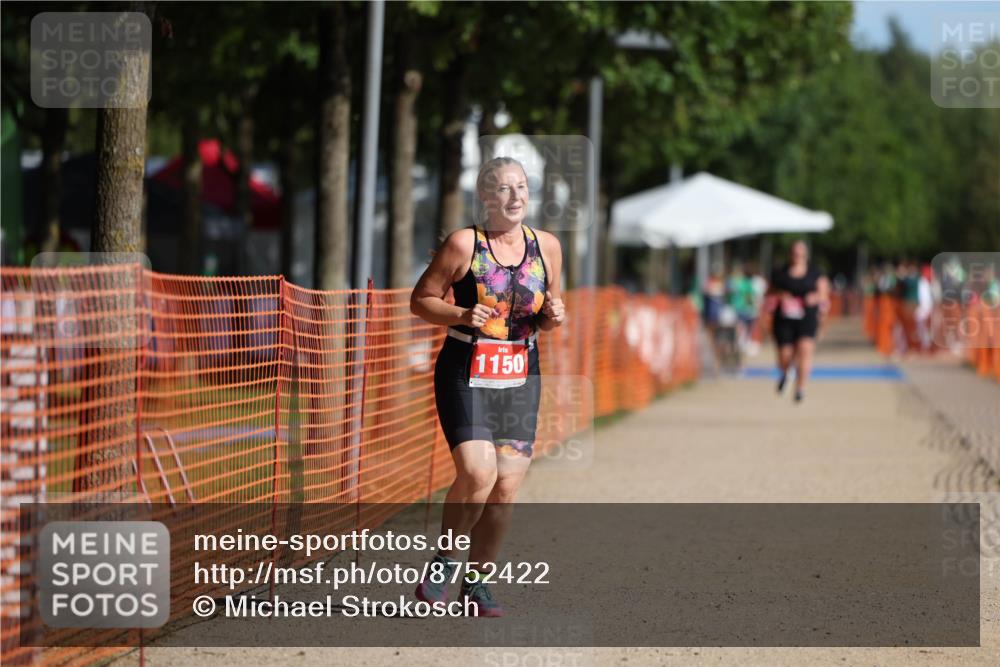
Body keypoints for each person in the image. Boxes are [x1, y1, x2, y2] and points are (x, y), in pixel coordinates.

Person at [409, 156, 565, 616]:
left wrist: (554, 318)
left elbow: (550, 311)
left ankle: (476, 585)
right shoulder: (464, 244)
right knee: (478, 473)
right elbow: (421, 300)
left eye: (521, 188)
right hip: (466, 368)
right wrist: (460, 314)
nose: (515, 197)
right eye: (503, 188)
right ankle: (445, 561)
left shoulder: (547, 246)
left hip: (520, 371)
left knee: (507, 484)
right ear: (484, 195)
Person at [767, 240, 829, 403]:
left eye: (800, 253)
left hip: (806, 317)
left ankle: (800, 388)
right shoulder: (780, 272)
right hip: (785, 318)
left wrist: (814, 298)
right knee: (784, 355)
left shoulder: (815, 273)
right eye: (795, 253)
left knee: (805, 350)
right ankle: (787, 373)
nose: (797, 256)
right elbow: (769, 293)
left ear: (805, 254)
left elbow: (824, 293)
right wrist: (780, 296)